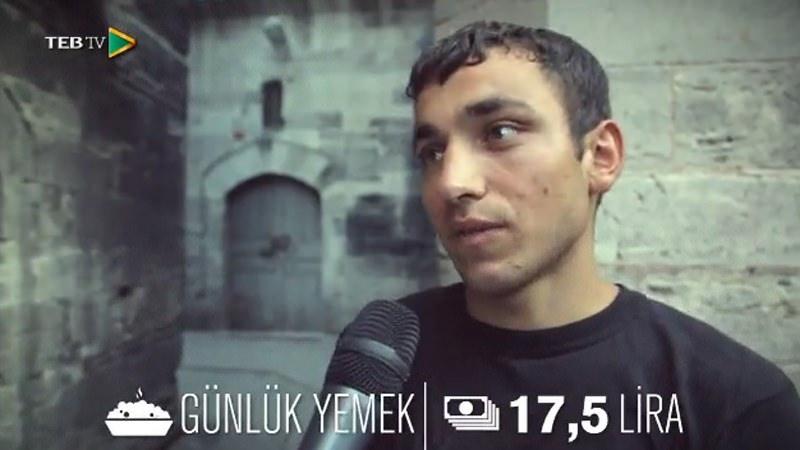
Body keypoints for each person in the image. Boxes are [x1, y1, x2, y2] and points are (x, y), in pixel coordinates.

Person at [369, 21, 800, 449]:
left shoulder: (734, 403)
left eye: (500, 132)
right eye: (432, 153)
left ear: (600, 156)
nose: (452, 182)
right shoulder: (383, 355)